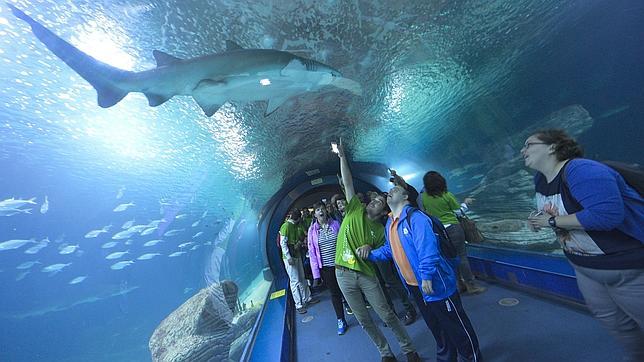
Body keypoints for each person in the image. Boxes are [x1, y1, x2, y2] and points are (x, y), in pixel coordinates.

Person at [524, 129, 644, 361]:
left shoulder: (582, 170)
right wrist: (538, 218)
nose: (523, 150)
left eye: (529, 144)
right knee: (618, 326)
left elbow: (607, 215)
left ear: (552, 146)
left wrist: (550, 221)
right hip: (585, 269)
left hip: (627, 267)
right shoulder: (540, 179)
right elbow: (557, 209)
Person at [358, 185, 483, 362]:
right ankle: (446, 357)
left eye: (397, 188)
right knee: (436, 326)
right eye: (391, 189)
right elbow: (389, 249)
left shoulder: (416, 218)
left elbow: (428, 249)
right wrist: (369, 254)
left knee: (455, 325)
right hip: (415, 286)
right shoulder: (391, 223)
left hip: (435, 282)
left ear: (405, 196)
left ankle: (472, 357)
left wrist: (426, 276)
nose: (392, 189)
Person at [333, 140, 421, 362]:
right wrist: (343, 157)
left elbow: (387, 249)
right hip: (342, 273)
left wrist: (370, 247)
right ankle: (385, 353)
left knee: (387, 315)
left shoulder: (381, 230)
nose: (374, 202)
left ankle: (408, 349)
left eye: (380, 201)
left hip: (367, 275)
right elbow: (348, 182)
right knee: (363, 320)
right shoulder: (354, 208)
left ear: (383, 211)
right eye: (374, 199)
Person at [421, 171, 486, 294]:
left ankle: (459, 285)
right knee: (462, 257)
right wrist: (466, 203)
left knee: (450, 258)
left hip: (439, 232)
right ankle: (471, 286)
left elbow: (426, 212)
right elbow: (458, 212)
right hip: (453, 229)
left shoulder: (424, 197)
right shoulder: (447, 195)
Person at [307, 202, 349, 335]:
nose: (321, 211)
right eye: (318, 210)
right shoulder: (312, 230)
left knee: (348, 290)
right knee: (335, 293)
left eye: (323, 209)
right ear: (315, 214)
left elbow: (344, 242)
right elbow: (312, 253)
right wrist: (316, 276)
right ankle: (341, 319)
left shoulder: (335, 224)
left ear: (326, 211)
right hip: (326, 268)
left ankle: (359, 314)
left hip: (341, 265)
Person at [279, 209, 319, 314]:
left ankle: (307, 298)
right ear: (297, 217)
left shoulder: (296, 225)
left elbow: (301, 237)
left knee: (302, 277)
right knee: (295, 281)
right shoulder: (286, 226)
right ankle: (298, 304)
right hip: (290, 258)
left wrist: (299, 243)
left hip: (296, 255)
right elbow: (283, 243)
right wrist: (288, 257)